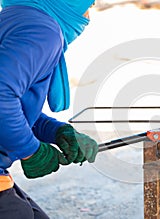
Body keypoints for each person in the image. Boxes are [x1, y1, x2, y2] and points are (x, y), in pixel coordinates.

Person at [0, 0, 98, 218]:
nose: (89, 17)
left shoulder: (16, 17)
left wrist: (55, 131)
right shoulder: (42, 31)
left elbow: (15, 102)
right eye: (87, 5)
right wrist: (31, 150)